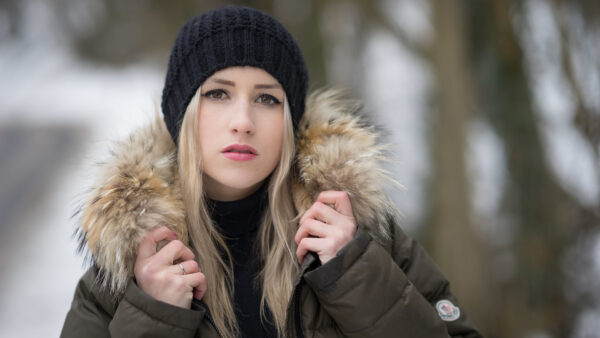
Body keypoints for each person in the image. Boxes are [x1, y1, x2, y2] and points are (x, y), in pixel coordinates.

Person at [61, 5, 482, 338]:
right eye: (218, 94)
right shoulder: (128, 267)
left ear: (289, 120)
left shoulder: (357, 236)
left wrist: (356, 276)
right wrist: (152, 317)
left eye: (266, 99)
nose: (243, 120)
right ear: (182, 115)